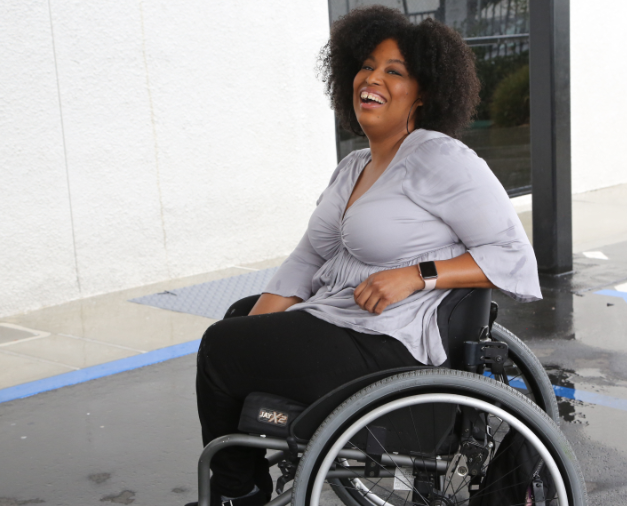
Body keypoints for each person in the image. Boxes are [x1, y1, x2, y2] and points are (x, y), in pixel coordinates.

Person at [192, 6, 541, 506]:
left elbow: (512, 256)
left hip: (389, 341)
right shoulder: (353, 166)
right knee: (237, 322)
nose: (372, 79)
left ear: (423, 93)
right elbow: (306, 261)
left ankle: (236, 493)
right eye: (366, 66)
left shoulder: (439, 157)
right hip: (345, 317)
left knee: (222, 347)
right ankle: (246, 472)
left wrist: (417, 275)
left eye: (394, 71)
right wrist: (254, 325)